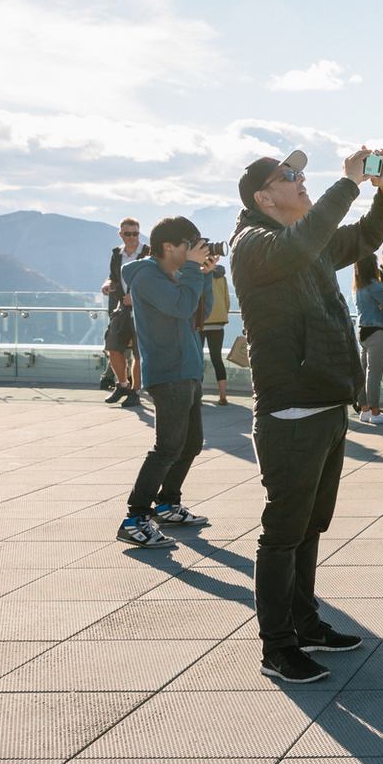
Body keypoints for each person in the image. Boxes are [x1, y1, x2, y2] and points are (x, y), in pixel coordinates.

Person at [232, 145, 383, 685]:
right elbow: (303, 242)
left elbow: (363, 238)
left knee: (310, 526)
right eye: (290, 175)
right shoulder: (255, 245)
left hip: (327, 400)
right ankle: (277, 647)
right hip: (290, 410)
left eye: (303, 173)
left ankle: (305, 623)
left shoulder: (302, 243)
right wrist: (347, 184)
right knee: (282, 533)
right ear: (264, 197)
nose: (301, 180)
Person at [115, 217, 216, 548]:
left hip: (186, 368)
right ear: (168, 246)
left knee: (190, 443)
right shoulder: (146, 276)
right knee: (167, 448)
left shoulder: (173, 274)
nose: (193, 250)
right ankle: (135, 517)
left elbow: (201, 311)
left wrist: (206, 275)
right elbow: (180, 305)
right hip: (168, 370)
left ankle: (168, 504)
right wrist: (191, 272)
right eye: (189, 244)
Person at [102, 219, 146, 405]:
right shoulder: (117, 254)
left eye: (135, 233)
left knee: (138, 353)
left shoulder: (148, 253)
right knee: (112, 347)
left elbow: (155, 282)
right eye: (128, 234)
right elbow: (114, 278)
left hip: (143, 309)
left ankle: (135, 392)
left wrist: (135, 297)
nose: (132, 238)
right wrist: (107, 285)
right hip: (122, 308)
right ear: (121, 234)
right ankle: (122, 385)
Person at [352, 250, 383, 425]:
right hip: (376, 331)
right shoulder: (374, 285)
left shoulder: (358, 286)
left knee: (363, 373)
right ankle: (376, 412)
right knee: (374, 374)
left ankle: (364, 410)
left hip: (361, 331)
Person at [199, 259, 232, 405]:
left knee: (197, 359)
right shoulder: (222, 276)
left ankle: (197, 395)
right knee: (217, 359)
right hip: (218, 323)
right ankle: (223, 395)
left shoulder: (198, 275)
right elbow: (226, 300)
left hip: (201, 322)